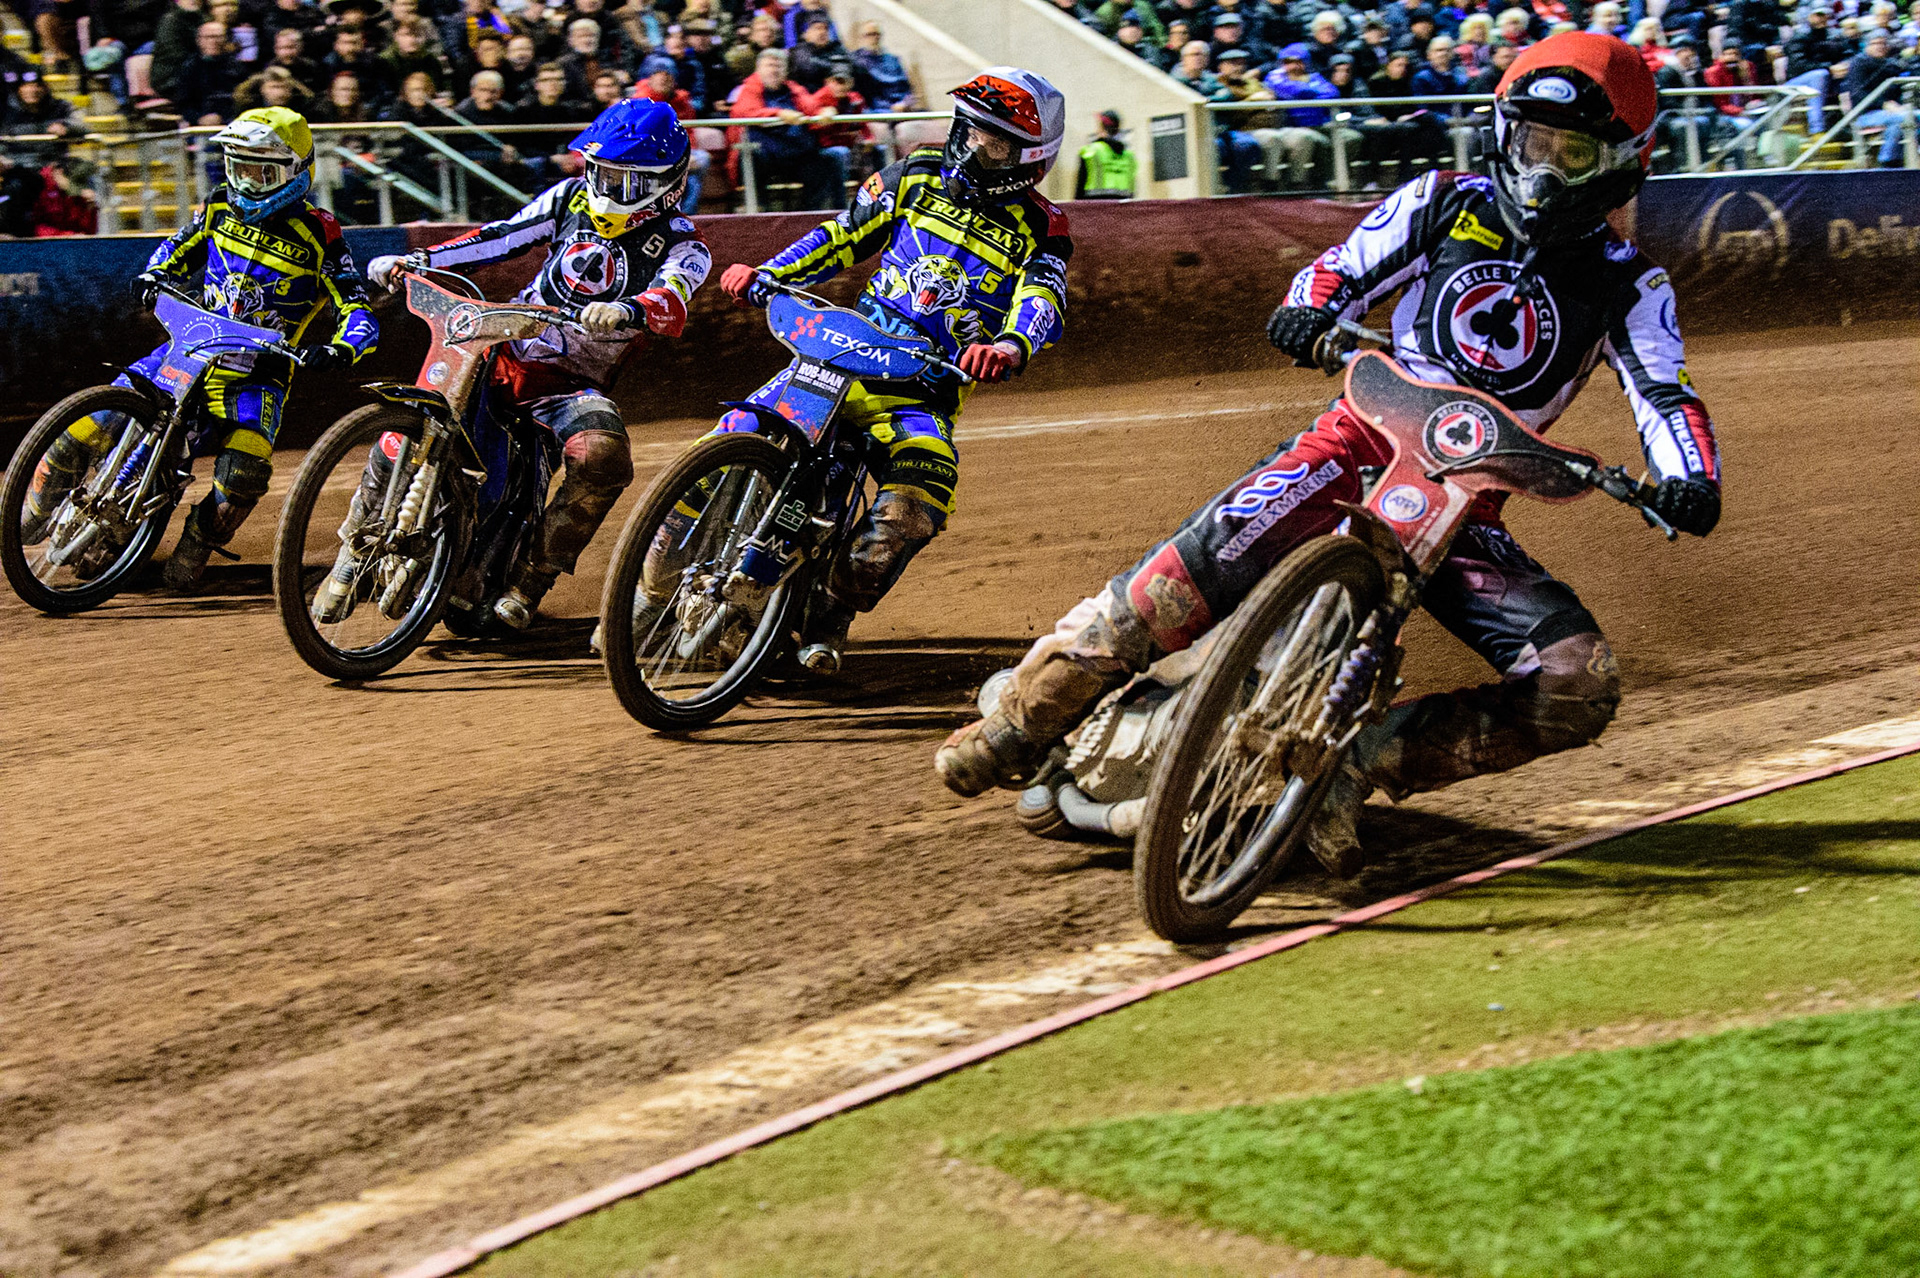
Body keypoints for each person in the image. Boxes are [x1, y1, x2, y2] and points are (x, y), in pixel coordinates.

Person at [936, 34, 1722, 880]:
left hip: (1466, 509)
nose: (1544, 173)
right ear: (1503, 131)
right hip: (1354, 443)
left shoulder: (1631, 284)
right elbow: (1334, 272)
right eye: (1533, 143)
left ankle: (1358, 762)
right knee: (1173, 583)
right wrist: (1307, 312)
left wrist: (1689, 478)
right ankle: (1017, 720)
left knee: (1578, 679)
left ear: (1622, 161)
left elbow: (1664, 394)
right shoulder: (1440, 200)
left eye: (1572, 154)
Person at [707, 67, 1072, 674]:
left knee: (914, 504)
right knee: (732, 436)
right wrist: (770, 273)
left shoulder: (1044, 226)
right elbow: (846, 235)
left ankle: (830, 609)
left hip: (921, 393)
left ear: (1028, 159)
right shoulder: (917, 171)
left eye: (996, 142)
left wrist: (1009, 347)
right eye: (971, 130)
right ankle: (649, 591)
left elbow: (1044, 298)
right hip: (841, 353)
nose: (975, 145)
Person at [352, 98, 709, 631]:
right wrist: (420, 261)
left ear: (665, 181)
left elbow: (673, 297)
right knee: (420, 414)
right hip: (500, 347)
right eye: (601, 172)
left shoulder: (684, 243)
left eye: (625, 180)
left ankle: (530, 580)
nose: (607, 188)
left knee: (603, 457)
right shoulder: (569, 198)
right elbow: (500, 237)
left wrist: (628, 308)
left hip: (569, 385)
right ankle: (359, 531)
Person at [24, 108, 378, 589]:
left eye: (261, 171)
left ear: (296, 171)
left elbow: (356, 304)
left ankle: (199, 537)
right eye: (239, 168)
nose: (248, 182)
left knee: (245, 474)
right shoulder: (218, 205)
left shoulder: (321, 232)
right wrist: (155, 274)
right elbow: (177, 246)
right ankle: (35, 508)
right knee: (88, 422)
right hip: (188, 347)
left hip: (256, 374)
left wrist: (341, 349)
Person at [727, 46, 844, 210]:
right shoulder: (748, 89)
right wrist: (779, 114)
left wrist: (827, 111)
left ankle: (817, 215)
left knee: (830, 158)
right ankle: (760, 213)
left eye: (779, 66)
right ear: (758, 69)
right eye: (769, 65)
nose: (774, 70)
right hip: (764, 155)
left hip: (795, 153)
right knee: (753, 156)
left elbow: (813, 108)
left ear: (786, 70)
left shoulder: (794, 89)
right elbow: (745, 112)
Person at [1844, 29, 1909, 165]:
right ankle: (1888, 161)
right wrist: (1883, 104)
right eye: (1875, 43)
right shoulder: (1858, 64)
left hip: (1893, 113)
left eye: (1883, 43)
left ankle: (1889, 162)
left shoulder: (1892, 65)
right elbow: (1858, 94)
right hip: (1865, 113)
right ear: (1866, 46)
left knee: (1903, 120)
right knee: (1905, 117)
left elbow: (1899, 91)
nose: (1880, 46)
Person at [1074, 107, 1136, 197]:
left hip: (1095, 204)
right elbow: (1132, 187)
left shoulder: (1090, 151)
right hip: (1122, 205)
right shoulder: (1129, 156)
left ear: (1101, 127)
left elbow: (1080, 184)